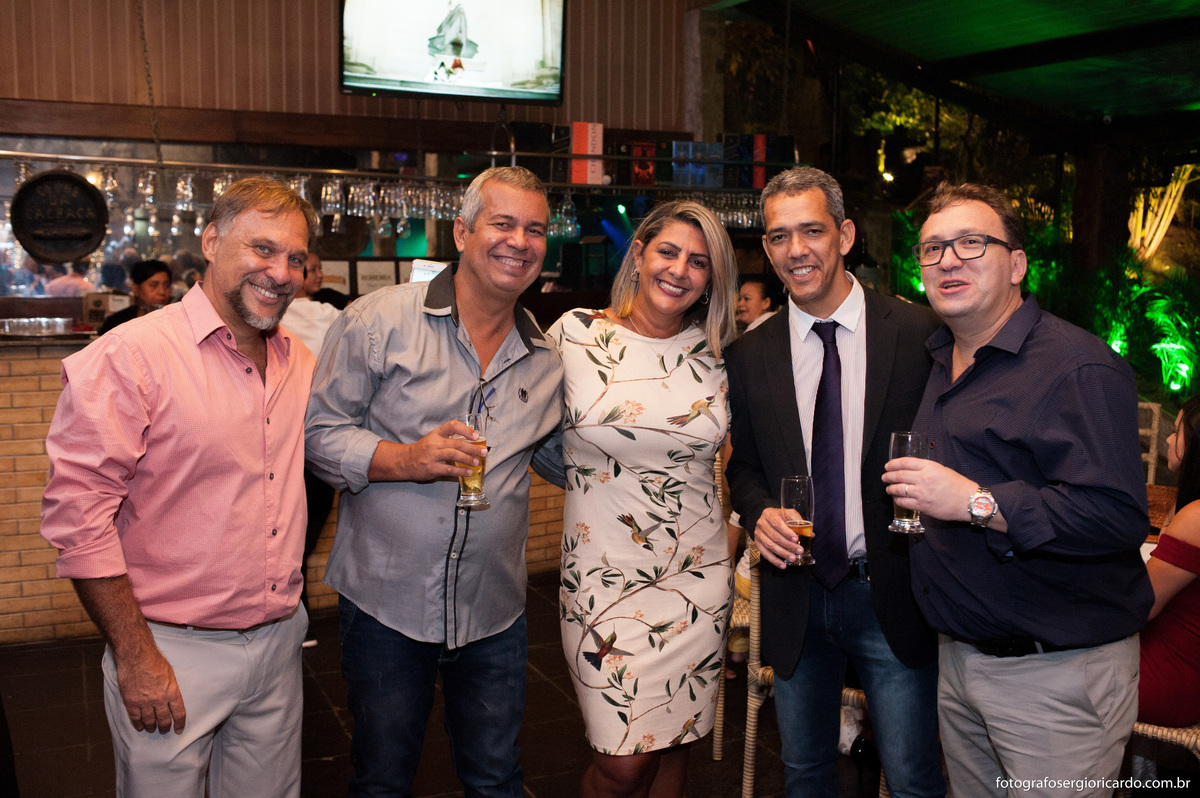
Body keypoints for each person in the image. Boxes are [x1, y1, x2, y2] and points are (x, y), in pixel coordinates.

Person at [39, 177, 319, 797]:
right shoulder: (132, 355)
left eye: (296, 258)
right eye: (263, 250)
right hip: (170, 650)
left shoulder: (299, 359)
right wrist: (136, 656)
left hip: (276, 643)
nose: (281, 272)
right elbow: (78, 520)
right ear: (213, 241)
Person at [885, 182, 1151, 797]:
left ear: (1018, 264)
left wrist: (977, 503)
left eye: (971, 243)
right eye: (932, 249)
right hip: (961, 663)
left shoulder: (1075, 367)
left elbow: (1115, 518)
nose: (948, 260)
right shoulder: (938, 361)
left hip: (1054, 674)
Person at [304, 166, 563, 797]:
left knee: (496, 778)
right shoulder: (378, 321)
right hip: (389, 608)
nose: (519, 241)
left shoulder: (547, 357)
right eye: (502, 223)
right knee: (383, 780)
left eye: (535, 229)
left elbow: (564, 459)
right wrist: (405, 459)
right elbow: (317, 435)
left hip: (494, 612)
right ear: (462, 231)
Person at [725, 166, 944, 798]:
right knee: (804, 773)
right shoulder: (750, 355)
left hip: (892, 590)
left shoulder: (916, 334)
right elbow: (745, 467)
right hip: (797, 593)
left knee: (911, 777)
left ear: (845, 234)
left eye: (812, 230)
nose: (796, 250)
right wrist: (759, 508)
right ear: (766, 249)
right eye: (779, 236)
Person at [546, 200, 737, 797]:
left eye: (699, 262)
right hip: (601, 581)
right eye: (668, 251)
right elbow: (519, 430)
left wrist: (729, 541)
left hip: (697, 581)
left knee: (673, 744)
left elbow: (746, 463)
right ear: (639, 254)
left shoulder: (718, 353)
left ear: (711, 279)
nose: (680, 269)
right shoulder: (575, 334)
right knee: (622, 762)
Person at [280, 251, 343, 633]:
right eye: (310, 269)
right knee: (305, 529)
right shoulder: (327, 315)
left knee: (283, 529)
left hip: (277, 438)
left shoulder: (266, 316)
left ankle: (290, 615)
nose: (317, 275)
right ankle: (294, 615)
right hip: (318, 436)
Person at [1140, 395, 1200, 727]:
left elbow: (1140, 605)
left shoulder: (1197, 516)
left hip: (1170, 678)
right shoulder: (1188, 505)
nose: (1167, 439)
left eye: (1176, 433)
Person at [281, 252, 341, 356]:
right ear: (303, 279)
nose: (320, 275)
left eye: (320, 269)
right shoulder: (324, 313)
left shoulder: (269, 313)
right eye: (312, 270)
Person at [98, 259, 173, 334]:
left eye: (167, 286)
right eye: (154, 285)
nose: (162, 292)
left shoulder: (175, 322)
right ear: (136, 289)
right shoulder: (117, 323)